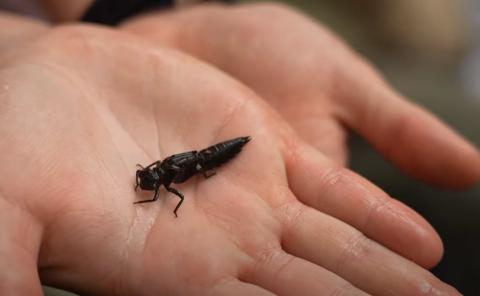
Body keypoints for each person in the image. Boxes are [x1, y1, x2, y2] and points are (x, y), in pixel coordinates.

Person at [0, 1, 478, 295]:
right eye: (148, 181)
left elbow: (176, 185)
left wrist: (128, 13)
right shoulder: (163, 173)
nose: (146, 181)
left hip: (211, 150)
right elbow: (174, 179)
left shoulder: (167, 177)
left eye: (147, 180)